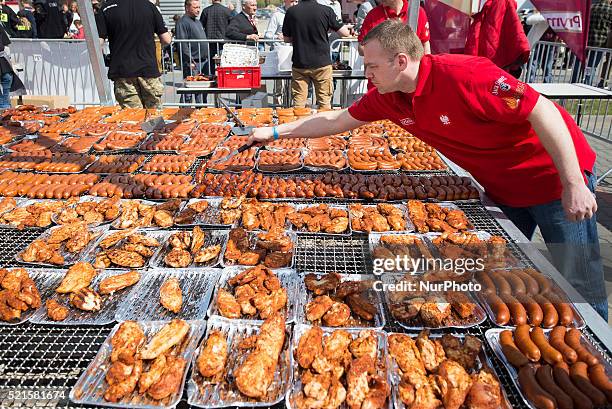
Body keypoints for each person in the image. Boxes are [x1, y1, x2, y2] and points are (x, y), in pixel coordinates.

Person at [249, 20, 608, 320]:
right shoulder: (387, 96)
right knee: (497, 273)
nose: (366, 74)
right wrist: (276, 132)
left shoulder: (467, 75)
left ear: (401, 61)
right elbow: (335, 120)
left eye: (372, 66)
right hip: (503, 188)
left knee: (581, 282)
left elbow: (540, 109)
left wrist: (574, 182)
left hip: (553, 179)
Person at [98, 0, 171, 108]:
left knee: (132, 119)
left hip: (123, 71)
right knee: (154, 117)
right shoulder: (149, 6)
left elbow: (98, 43)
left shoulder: (106, 8)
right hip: (148, 69)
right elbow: (166, 39)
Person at [282, 0, 351, 109]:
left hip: (300, 62)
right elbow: (345, 33)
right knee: (324, 103)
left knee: (299, 104)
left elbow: (286, 39)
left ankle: (299, 125)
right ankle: (324, 125)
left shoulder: (291, 12)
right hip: (321, 63)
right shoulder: (326, 10)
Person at [464, 0, 530, 78]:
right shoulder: (505, 3)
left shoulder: (501, 2)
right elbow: (515, 29)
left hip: (489, 48)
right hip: (495, 50)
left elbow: (515, 27)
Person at [357, 0, 430, 56]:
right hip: (383, 72)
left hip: (412, 72)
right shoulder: (373, 15)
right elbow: (361, 48)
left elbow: (425, 45)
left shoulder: (418, 13)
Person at [572, 0, 612, 86]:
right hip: (599, 43)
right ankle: (586, 85)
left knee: (579, 63)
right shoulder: (610, 10)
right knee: (591, 66)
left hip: (585, 41)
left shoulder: (591, 8)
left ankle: (573, 83)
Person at [176, 0, 208, 104]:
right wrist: (189, 60)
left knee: (201, 90)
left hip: (203, 61)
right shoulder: (182, 22)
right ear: (187, 7)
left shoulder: (197, 21)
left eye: (199, 7)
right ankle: (184, 113)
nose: (198, 10)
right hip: (193, 62)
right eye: (195, 7)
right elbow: (182, 43)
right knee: (189, 91)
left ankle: (200, 109)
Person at [200, 0, 232, 71]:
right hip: (223, 41)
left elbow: (201, 26)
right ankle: (222, 79)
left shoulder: (206, 11)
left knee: (210, 62)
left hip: (209, 41)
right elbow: (232, 26)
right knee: (223, 62)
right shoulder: (227, 11)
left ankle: (211, 76)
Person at [0, 25, 25, 108]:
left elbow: (5, 45)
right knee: (7, 81)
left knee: (7, 80)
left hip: (3, 61)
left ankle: (5, 106)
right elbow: (6, 46)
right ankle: (4, 106)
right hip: (3, 61)